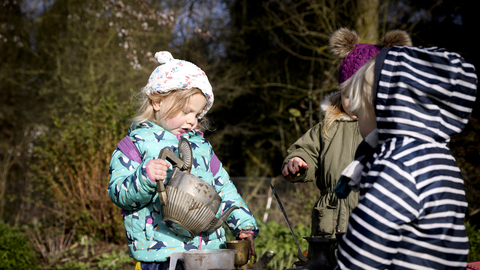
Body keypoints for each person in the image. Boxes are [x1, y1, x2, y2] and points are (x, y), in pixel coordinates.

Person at [336, 31, 477, 269]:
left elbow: (369, 240)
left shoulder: (397, 162)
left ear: (386, 109)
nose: (357, 116)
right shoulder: (441, 158)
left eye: (361, 110)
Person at [107, 51, 259, 270]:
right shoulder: (135, 144)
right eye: (186, 111)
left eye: (197, 114)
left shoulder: (202, 148)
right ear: (157, 101)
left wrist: (243, 226)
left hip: (208, 254)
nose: (192, 121)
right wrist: (146, 176)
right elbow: (118, 193)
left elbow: (223, 189)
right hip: (160, 256)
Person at [281, 28, 411, 241]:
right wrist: (298, 162)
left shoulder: (392, 131)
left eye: (364, 96)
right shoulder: (328, 128)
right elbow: (306, 150)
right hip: (330, 227)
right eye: (349, 95)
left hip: (376, 224)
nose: (356, 103)